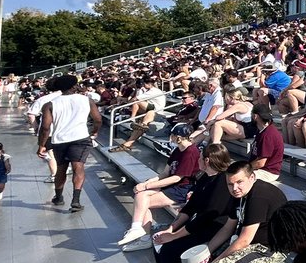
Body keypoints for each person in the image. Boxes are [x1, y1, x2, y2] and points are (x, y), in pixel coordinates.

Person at [148, 143, 235, 263]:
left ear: (207, 160)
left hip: (215, 229)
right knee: (159, 241)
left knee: (169, 250)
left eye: (200, 158)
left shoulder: (222, 182)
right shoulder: (205, 177)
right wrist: (171, 229)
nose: (198, 160)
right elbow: (190, 207)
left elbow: (207, 216)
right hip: (199, 224)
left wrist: (175, 236)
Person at [116, 124, 201, 247]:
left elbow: (177, 177)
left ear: (178, 137)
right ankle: (138, 231)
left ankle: (142, 235)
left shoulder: (191, 152)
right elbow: (165, 173)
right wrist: (146, 184)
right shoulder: (178, 150)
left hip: (182, 189)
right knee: (141, 196)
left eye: (172, 136)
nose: (170, 138)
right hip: (172, 185)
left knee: (143, 201)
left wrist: (146, 187)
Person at [37, 73, 102, 212]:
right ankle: (76, 201)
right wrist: (95, 131)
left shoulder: (50, 104)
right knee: (78, 168)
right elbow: (98, 119)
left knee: (61, 168)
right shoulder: (86, 100)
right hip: (81, 138)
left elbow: (45, 127)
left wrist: (41, 145)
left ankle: (59, 197)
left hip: (59, 140)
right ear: (74, 86)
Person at [248, 105, 285, 183]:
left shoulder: (268, 135)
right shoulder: (262, 130)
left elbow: (260, 163)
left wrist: (245, 168)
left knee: (240, 178)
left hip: (268, 172)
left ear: (255, 116)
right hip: (262, 169)